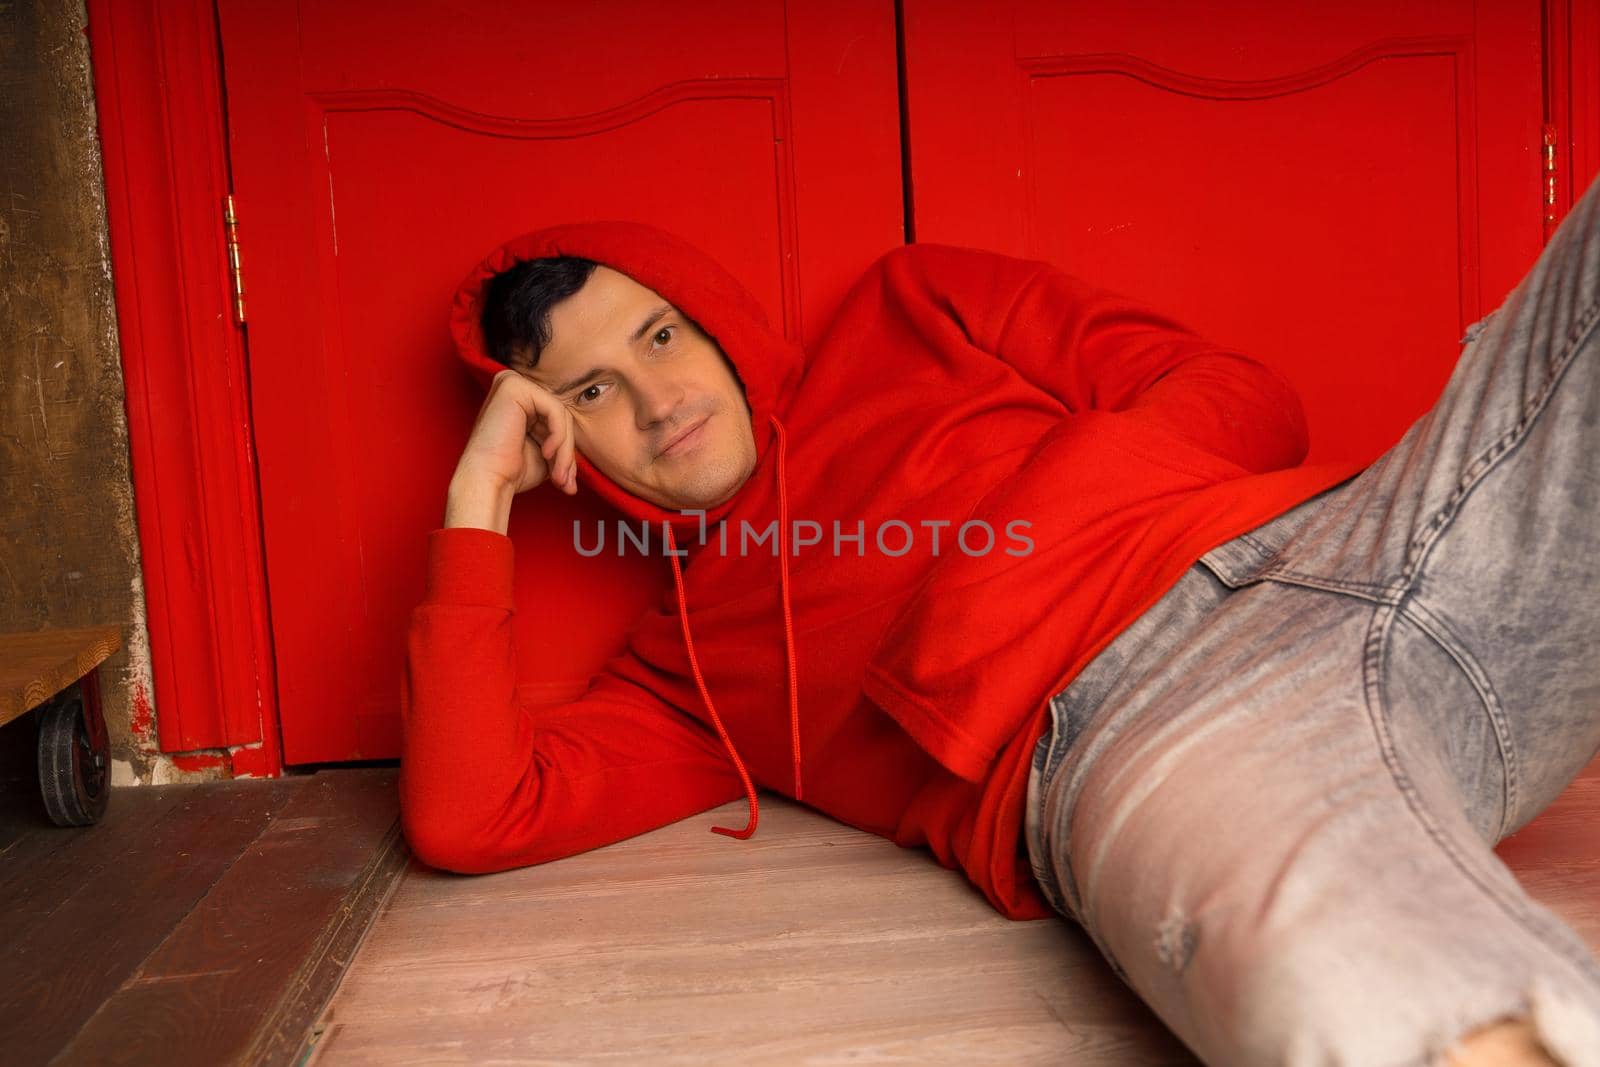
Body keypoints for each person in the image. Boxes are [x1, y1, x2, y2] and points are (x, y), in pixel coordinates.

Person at [401, 171, 1600, 1065]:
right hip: (1150, 735)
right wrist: (477, 503)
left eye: (658, 334)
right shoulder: (687, 677)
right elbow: (471, 815)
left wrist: (1005, 563)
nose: (657, 399)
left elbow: (1247, 403)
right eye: (590, 391)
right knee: (1391, 994)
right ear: (559, 439)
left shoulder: (913, 304)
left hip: (1346, 535)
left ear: (711, 317)